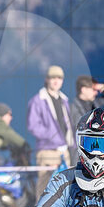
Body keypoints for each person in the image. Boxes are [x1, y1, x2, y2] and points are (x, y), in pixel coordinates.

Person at [26, 65, 73, 198]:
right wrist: (53, 137)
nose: (56, 81)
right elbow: (33, 126)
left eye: (59, 78)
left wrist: (70, 143)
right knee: (45, 185)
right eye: (53, 77)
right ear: (47, 79)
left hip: (64, 150)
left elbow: (67, 125)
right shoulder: (37, 100)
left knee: (64, 185)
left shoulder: (64, 100)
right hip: (47, 150)